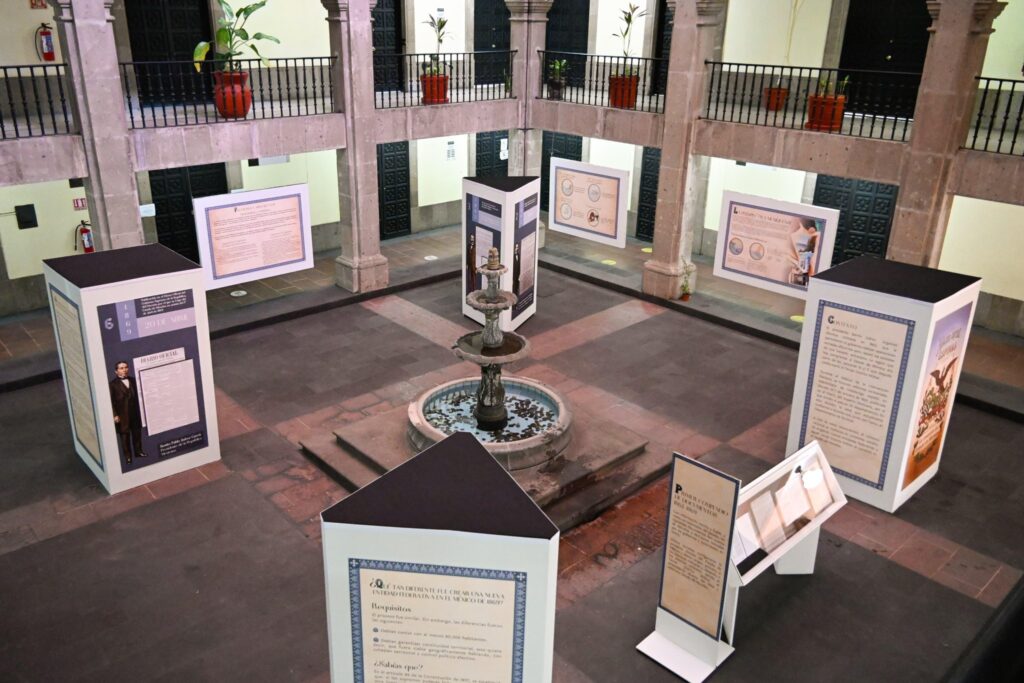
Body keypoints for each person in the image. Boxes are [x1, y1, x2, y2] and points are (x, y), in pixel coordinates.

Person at [109, 360, 146, 465]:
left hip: (135, 413)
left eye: (126, 367)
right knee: (124, 437)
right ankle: (128, 457)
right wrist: (114, 415)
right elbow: (110, 401)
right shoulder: (112, 384)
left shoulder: (134, 380)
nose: (124, 370)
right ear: (116, 371)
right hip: (122, 415)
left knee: (137, 434)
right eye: (121, 368)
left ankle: (138, 452)